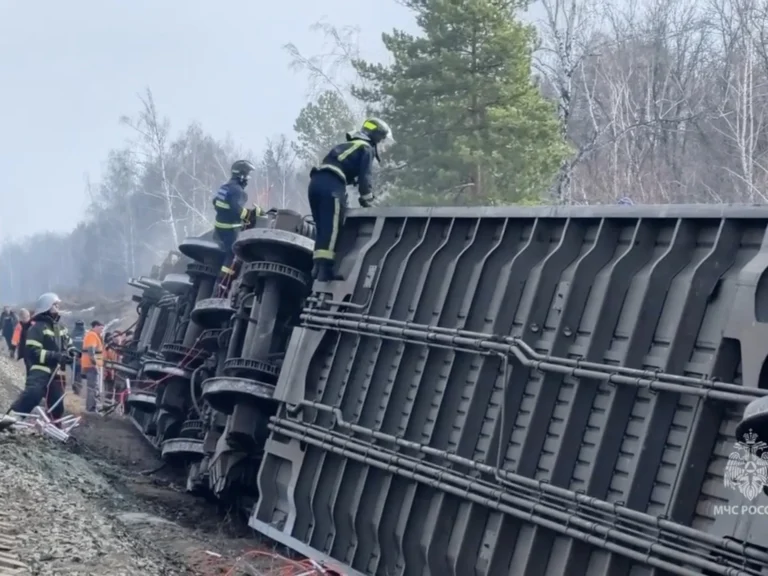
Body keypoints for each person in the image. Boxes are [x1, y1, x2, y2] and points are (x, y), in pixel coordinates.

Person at [308, 118, 393, 282]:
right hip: (332, 186)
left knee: (322, 227)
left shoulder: (349, 145)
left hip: (315, 183)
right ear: (376, 136)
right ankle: (325, 271)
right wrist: (368, 200)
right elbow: (365, 178)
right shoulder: (366, 148)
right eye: (381, 139)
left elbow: (341, 165)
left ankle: (316, 268)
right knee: (332, 227)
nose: (381, 143)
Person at [5, 293, 76, 424]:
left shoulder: (61, 328)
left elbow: (68, 343)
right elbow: (33, 352)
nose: (58, 307)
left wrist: (72, 352)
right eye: (55, 305)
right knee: (33, 394)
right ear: (47, 306)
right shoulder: (36, 328)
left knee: (57, 403)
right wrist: (56, 356)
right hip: (40, 370)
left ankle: (55, 426)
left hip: (57, 372)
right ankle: (11, 418)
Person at [212, 160, 262, 293]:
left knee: (225, 253)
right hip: (230, 229)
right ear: (241, 175)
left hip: (219, 228)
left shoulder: (225, 187)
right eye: (247, 175)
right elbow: (237, 211)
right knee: (232, 255)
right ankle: (223, 285)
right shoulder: (238, 191)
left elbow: (215, 202)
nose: (248, 179)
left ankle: (219, 283)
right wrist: (252, 214)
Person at [81, 320, 105, 413]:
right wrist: (94, 363)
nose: (102, 330)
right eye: (101, 328)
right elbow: (91, 350)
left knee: (93, 387)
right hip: (91, 366)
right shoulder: (92, 335)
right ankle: (91, 408)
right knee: (92, 387)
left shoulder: (94, 335)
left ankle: (91, 407)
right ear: (95, 327)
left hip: (90, 365)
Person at [70, 320, 86, 393]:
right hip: (80, 358)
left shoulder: (72, 334)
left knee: (75, 372)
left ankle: (76, 387)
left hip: (74, 357)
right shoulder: (85, 334)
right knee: (78, 373)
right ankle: (77, 387)